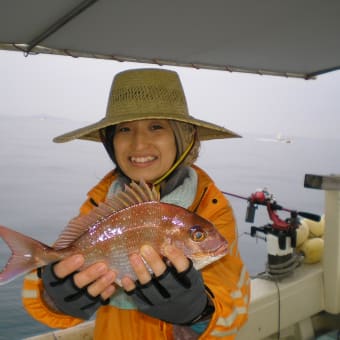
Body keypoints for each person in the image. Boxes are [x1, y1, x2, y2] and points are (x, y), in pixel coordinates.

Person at [22, 68, 250, 339]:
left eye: (156, 127)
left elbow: (233, 313)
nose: (139, 142)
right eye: (125, 129)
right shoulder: (101, 201)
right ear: (111, 141)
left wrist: (197, 313)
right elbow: (53, 289)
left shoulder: (212, 208)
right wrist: (53, 296)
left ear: (183, 138)